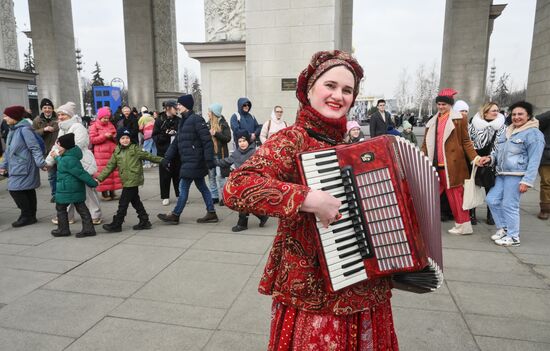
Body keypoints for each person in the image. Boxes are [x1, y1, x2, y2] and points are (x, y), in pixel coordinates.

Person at [224, 51, 398, 350]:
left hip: (363, 281)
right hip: (312, 287)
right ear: (309, 89)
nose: (338, 96)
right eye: (330, 85)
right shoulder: (293, 139)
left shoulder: (353, 146)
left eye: (347, 90)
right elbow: (237, 186)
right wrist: (307, 198)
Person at [421, 89, 483, 235]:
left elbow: (466, 141)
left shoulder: (459, 118)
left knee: (455, 196)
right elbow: (425, 143)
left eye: (444, 104)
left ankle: (463, 225)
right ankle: (422, 224)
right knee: (429, 195)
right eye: (439, 104)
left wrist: (475, 158)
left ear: (450, 105)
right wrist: (420, 157)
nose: (441, 107)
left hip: (452, 165)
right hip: (435, 165)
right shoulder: (432, 121)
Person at [485, 101, 545, 247]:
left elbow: (535, 159)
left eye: (520, 114)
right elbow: (499, 152)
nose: (516, 117)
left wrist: (527, 181)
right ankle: (504, 228)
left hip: (517, 175)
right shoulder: (508, 130)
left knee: (510, 205)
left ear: (529, 116)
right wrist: (490, 159)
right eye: (514, 114)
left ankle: (513, 237)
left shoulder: (534, 134)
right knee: (491, 199)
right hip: (502, 174)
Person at [157, 94, 218, 224]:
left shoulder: (196, 119)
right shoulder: (183, 121)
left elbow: (207, 141)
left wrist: (209, 160)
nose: (177, 107)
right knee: (202, 186)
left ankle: (175, 214)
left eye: (179, 104)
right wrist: (166, 158)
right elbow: (176, 143)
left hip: (194, 160)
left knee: (183, 186)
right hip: (189, 160)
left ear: (186, 106)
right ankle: (211, 212)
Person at [46, 102, 102, 225]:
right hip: (68, 162)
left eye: (63, 114)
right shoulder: (63, 129)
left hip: (82, 161)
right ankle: (67, 216)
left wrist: (58, 154)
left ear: (70, 115)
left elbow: (78, 144)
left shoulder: (77, 127)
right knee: (69, 189)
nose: (60, 117)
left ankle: (95, 214)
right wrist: (49, 161)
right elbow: (57, 145)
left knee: (88, 190)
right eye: (59, 114)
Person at [97, 128, 163, 232]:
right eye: (122, 138)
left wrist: (163, 160)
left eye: (127, 138)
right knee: (135, 201)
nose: (125, 140)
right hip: (126, 179)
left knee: (123, 203)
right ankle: (144, 220)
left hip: (133, 179)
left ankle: (117, 224)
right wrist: (100, 178)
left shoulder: (134, 149)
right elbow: (109, 166)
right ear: (119, 139)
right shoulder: (117, 151)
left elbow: (148, 156)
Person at [0, 106, 46, 227]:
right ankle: (30, 216)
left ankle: (26, 215)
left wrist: (41, 163)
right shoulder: (13, 129)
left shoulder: (24, 130)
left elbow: (34, 147)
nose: (4, 118)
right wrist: (3, 165)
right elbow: (8, 150)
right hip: (18, 165)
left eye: (6, 116)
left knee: (15, 190)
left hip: (24, 166)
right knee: (27, 189)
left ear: (14, 117)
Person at [216, 130, 267, 231]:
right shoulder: (236, 153)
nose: (242, 143)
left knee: (243, 201)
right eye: (240, 141)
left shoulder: (254, 152)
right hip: (241, 182)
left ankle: (242, 223)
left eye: (244, 141)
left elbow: (261, 166)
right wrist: (213, 162)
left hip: (252, 182)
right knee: (246, 202)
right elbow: (226, 162)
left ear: (248, 141)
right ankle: (262, 216)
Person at [50, 133, 98, 237]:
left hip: (68, 189)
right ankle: (87, 228)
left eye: (59, 146)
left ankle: (64, 229)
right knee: (80, 208)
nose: (58, 148)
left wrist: (93, 183)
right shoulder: (68, 157)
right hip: (71, 188)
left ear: (66, 147)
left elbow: (81, 173)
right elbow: (63, 162)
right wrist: (56, 157)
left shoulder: (69, 159)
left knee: (62, 208)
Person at [467, 102, 505, 225]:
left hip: (493, 160)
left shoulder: (503, 126)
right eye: (493, 110)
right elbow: (468, 142)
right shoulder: (473, 124)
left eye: (497, 110)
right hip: (475, 159)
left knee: (491, 188)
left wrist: (491, 158)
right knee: (473, 187)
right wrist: (475, 158)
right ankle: (471, 214)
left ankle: (491, 215)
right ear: (485, 112)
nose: (496, 112)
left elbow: (504, 144)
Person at [89, 106, 122, 201]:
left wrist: (113, 136)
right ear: (99, 117)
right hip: (101, 154)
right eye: (104, 118)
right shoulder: (94, 126)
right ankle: (104, 193)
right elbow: (93, 139)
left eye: (107, 118)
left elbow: (116, 136)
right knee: (104, 172)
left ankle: (113, 192)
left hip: (112, 152)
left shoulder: (110, 124)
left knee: (113, 172)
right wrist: (104, 136)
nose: (106, 120)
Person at [152, 100, 181, 205]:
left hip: (177, 152)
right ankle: (165, 196)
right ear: (168, 108)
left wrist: (176, 133)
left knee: (178, 175)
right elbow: (155, 136)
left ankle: (179, 195)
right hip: (164, 152)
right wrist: (166, 134)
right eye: (175, 108)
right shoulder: (159, 120)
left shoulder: (179, 120)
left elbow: (183, 135)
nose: (177, 109)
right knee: (164, 175)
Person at [32, 98, 59, 203]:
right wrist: (44, 130)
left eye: (49, 107)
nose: (47, 109)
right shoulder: (37, 120)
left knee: (61, 173)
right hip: (47, 152)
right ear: (42, 109)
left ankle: (62, 193)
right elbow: (32, 133)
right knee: (52, 175)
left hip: (59, 150)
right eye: (45, 108)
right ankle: (55, 194)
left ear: (52, 109)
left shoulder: (58, 118)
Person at [207, 103, 231, 206]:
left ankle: (224, 197)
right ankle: (214, 197)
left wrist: (216, 134)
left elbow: (227, 138)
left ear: (214, 113)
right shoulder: (208, 124)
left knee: (220, 177)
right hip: (210, 154)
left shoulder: (223, 124)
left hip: (220, 154)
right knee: (211, 176)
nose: (208, 113)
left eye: (209, 112)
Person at [537, 110, 550, 220]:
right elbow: (535, 122)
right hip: (547, 155)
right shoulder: (547, 116)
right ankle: (545, 208)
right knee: (546, 182)